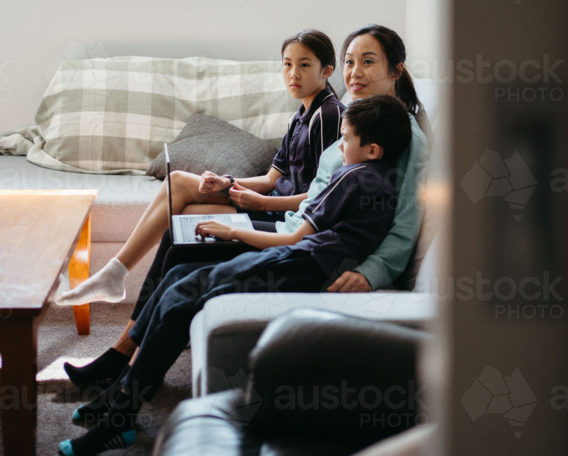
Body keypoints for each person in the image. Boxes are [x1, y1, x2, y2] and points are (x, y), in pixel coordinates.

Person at [61, 24, 430, 411]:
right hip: (295, 230)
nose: (354, 72)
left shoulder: (399, 137)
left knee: (182, 252)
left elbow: (405, 221)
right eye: (351, 61)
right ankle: (124, 358)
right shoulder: (355, 121)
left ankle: (124, 367)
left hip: (306, 246)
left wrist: (373, 271)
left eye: (368, 62)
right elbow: (301, 188)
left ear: (397, 70)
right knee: (179, 239)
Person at [57, 95, 414, 456]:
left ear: (372, 149)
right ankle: (119, 391)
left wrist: (233, 232)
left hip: (299, 265)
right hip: (304, 262)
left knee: (182, 297)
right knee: (179, 273)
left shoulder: (352, 177)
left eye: (346, 138)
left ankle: (120, 418)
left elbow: (294, 238)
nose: (340, 145)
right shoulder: (378, 179)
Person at [56, 30, 345, 386]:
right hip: (271, 204)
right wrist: (227, 183)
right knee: (179, 188)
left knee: (180, 228)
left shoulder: (328, 116)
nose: (293, 75)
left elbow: (319, 195)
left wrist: (257, 202)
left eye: (304, 65)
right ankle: (119, 301)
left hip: (283, 217)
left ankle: (123, 348)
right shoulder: (301, 113)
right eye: (287, 65)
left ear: (326, 70)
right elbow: (272, 176)